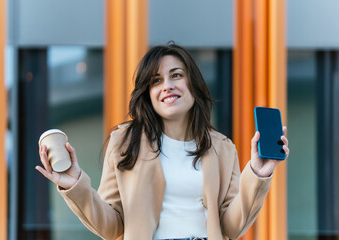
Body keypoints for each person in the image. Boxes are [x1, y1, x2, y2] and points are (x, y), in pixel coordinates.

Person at [36, 43, 289, 240]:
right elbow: (110, 227)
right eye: (156, 80)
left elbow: (232, 227)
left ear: (193, 84)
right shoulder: (125, 142)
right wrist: (75, 186)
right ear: (148, 94)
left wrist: (257, 173)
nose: (167, 86)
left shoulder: (222, 147)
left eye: (176, 75)